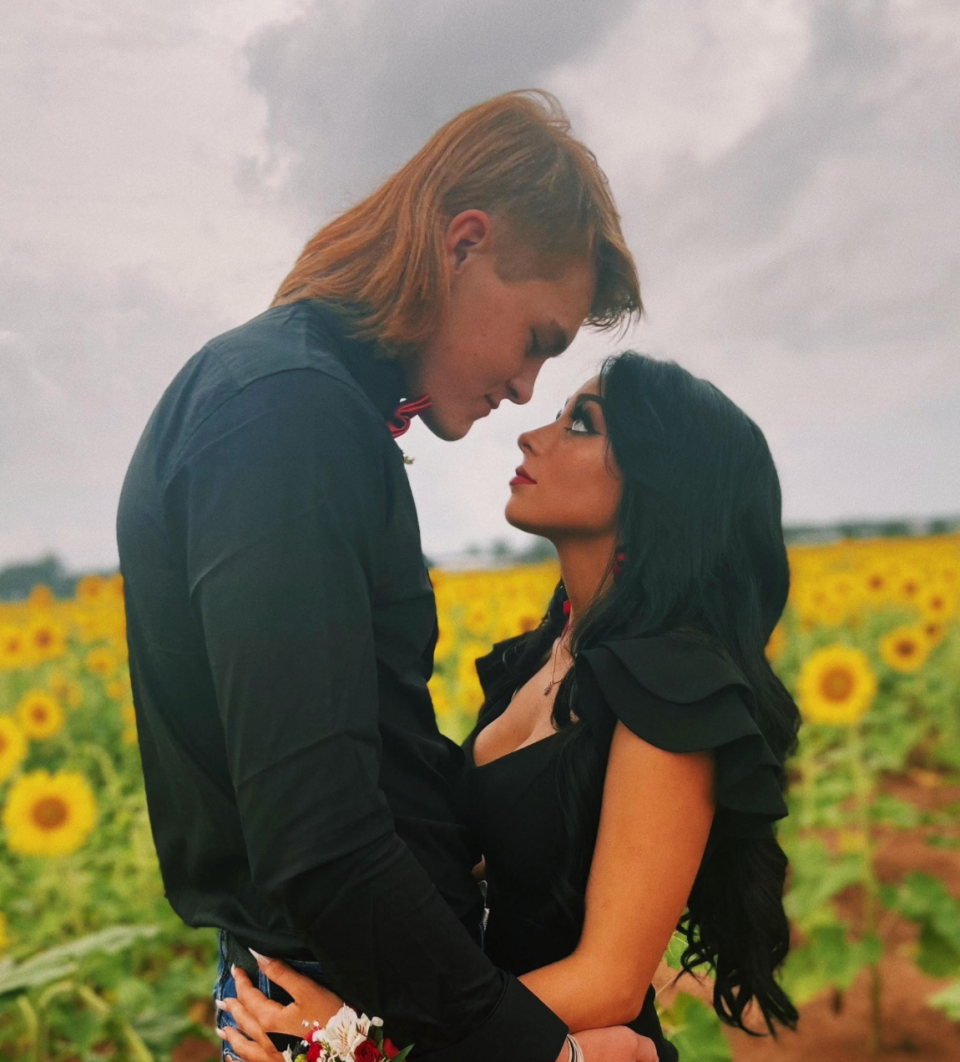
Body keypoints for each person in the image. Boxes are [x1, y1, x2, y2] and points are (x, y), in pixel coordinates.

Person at [116, 91, 652, 1062]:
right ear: (463, 245)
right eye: (537, 337)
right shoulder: (287, 419)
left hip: (373, 1000)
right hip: (345, 1021)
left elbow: (362, 750)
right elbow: (319, 842)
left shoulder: (303, 403)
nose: (529, 388)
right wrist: (535, 1055)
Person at [217, 353, 801, 1062]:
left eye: (581, 423)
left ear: (661, 487)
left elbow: (611, 981)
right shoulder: (547, 653)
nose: (533, 435)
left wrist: (371, 1035)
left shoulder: (676, 687)